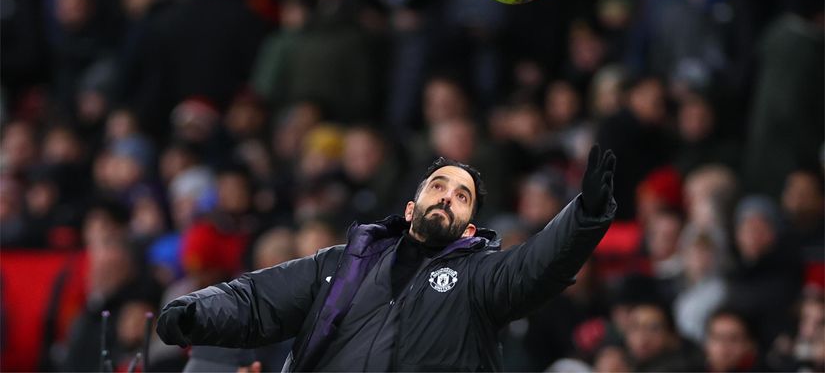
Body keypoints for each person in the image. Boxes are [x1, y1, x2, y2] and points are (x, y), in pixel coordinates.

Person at [157, 145, 617, 371]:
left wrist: (585, 215)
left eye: (462, 196)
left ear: (471, 228)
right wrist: (197, 311)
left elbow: (538, 265)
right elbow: (257, 300)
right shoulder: (341, 265)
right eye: (438, 186)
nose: (448, 197)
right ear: (411, 208)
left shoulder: (480, 277)